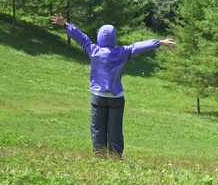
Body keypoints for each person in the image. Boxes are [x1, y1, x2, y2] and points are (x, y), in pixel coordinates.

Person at [50, 14, 175, 158]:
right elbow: (139, 46)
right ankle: (116, 157)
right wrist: (160, 42)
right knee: (115, 128)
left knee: (97, 128)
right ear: (114, 38)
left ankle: (99, 155)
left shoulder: (94, 51)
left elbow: (81, 38)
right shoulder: (123, 52)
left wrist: (65, 25)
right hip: (116, 98)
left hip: (98, 97)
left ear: (99, 37)